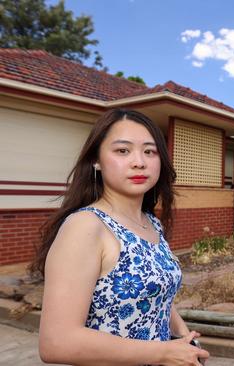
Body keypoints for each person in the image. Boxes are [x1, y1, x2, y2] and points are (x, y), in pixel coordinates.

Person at [32, 109, 210, 365]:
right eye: (122, 151)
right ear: (96, 160)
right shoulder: (86, 226)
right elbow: (56, 343)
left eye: (150, 151)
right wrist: (164, 352)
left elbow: (154, 290)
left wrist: (182, 334)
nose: (139, 162)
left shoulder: (151, 223)